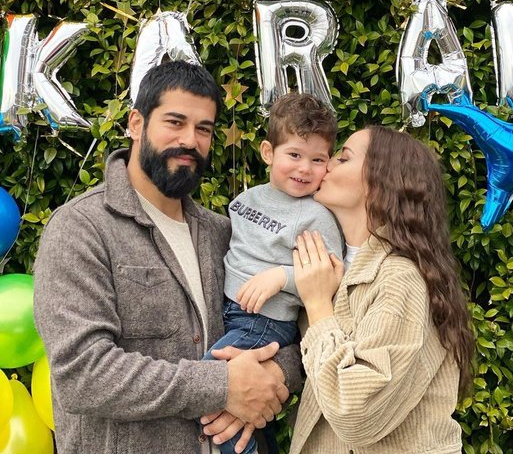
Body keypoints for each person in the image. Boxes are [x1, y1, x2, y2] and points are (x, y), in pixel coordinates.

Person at [33, 60, 302, 454]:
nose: (190, 140)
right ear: (136, 123)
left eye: (204, 129)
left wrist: (278, 372)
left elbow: (289, 327)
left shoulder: (223, 233)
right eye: (175, 122)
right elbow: (83, 374)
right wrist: (222, 385)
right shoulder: (81, 228)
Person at [289, 125, 474, 454]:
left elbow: (356, 413)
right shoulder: (331, 267)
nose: (327, 163)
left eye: (343, 158)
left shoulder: (399, 278)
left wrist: (317, 306)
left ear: (379, 184)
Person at [202, 93, 344, 454]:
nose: (304, 168)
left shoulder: (316, 216)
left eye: (317, 159)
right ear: (268, 152)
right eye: (294, 155)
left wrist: (280, 276)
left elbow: (331, 273)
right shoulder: (245, 201)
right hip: (231, 315)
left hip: (265, 322)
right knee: (224, 392)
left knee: (211, 381)